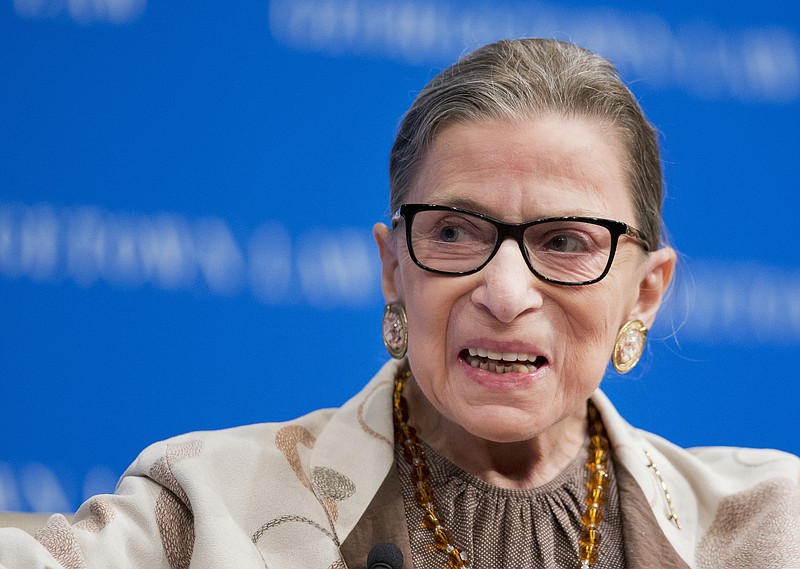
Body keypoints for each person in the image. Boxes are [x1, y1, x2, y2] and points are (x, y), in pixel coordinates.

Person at [1, 38, 798, 569]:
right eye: (454, 231)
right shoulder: (209, 510)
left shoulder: (769, 528)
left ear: (646, 290)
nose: (506, 292)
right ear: (393, 269)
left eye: (565, 242)